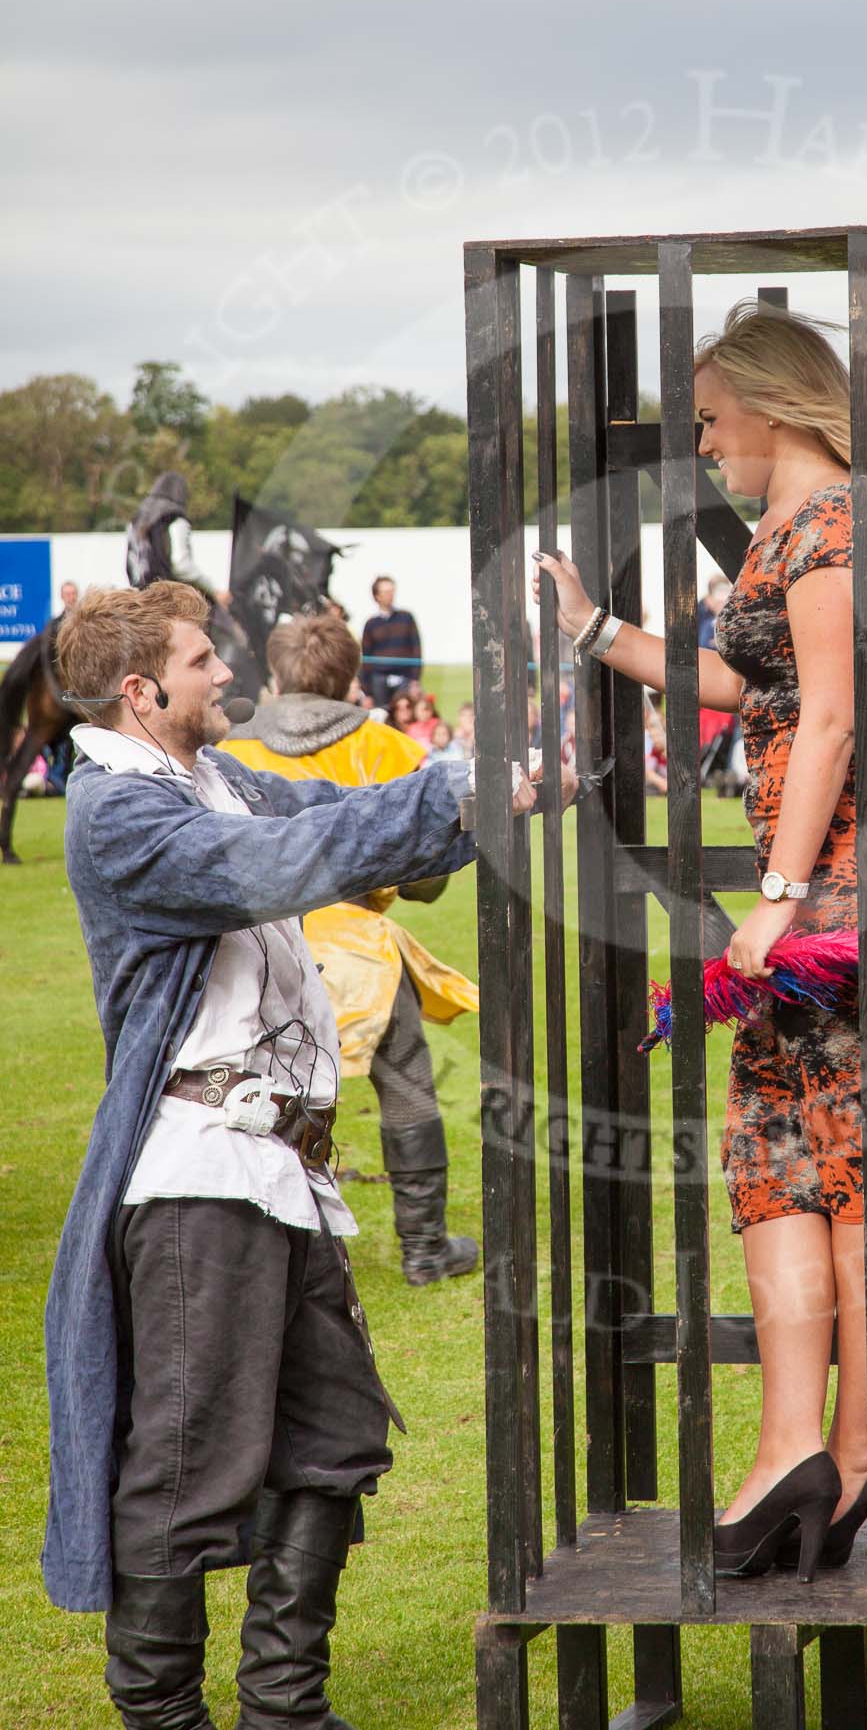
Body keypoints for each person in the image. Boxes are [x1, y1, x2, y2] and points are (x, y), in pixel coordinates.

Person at [44, 582, 545, 1728]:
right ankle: (163, 1716)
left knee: (332, 1440)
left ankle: (284, 1707)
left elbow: (349, 818)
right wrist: (457, 784)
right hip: (201, 1178)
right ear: (142, 689)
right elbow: (292, 859)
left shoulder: (212, 777)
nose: (226, 673)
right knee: (185, 1470)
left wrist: (495, 787)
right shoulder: (119, 812)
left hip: (285, 1174)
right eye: (202, 657)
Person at [533, 299, 867, 1579]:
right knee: (775, 1153)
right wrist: (601, 635)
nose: (707, 442)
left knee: (854, 1156)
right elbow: (756, 683)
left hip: (853, 872)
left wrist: (775, 889)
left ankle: (860, 1451)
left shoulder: (835, 522)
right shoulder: (796, 524)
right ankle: (790, 1451)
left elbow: (829, 720)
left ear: (771, 402)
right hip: (814, 869)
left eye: (715, 418)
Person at [220, 611, 495, 1285]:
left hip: (255, 942)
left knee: (263, 1091)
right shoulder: (389, 747)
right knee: (404, 1078)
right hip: (355, 941)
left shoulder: (229, 746)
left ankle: (283, 1256)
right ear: (351, 675)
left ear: (276, 672)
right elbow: (425, 878)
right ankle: (425, 1245)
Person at [124, 471, 231, 608]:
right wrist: (215, 591)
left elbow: (132, 564)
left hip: (141, 600)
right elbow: (181, 565)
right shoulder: (174, 520)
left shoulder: (136, 522)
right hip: (169, 601)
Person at [359, 576, 422, 706]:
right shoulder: (371, 624)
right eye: (386, 592)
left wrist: (415, 680)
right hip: (378, 680)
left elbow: (416, 648)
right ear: (377, 596)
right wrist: (367, 692)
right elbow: (366, 658)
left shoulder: (407, 618)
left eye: (392, 591)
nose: (391, 595)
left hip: (404, 678)